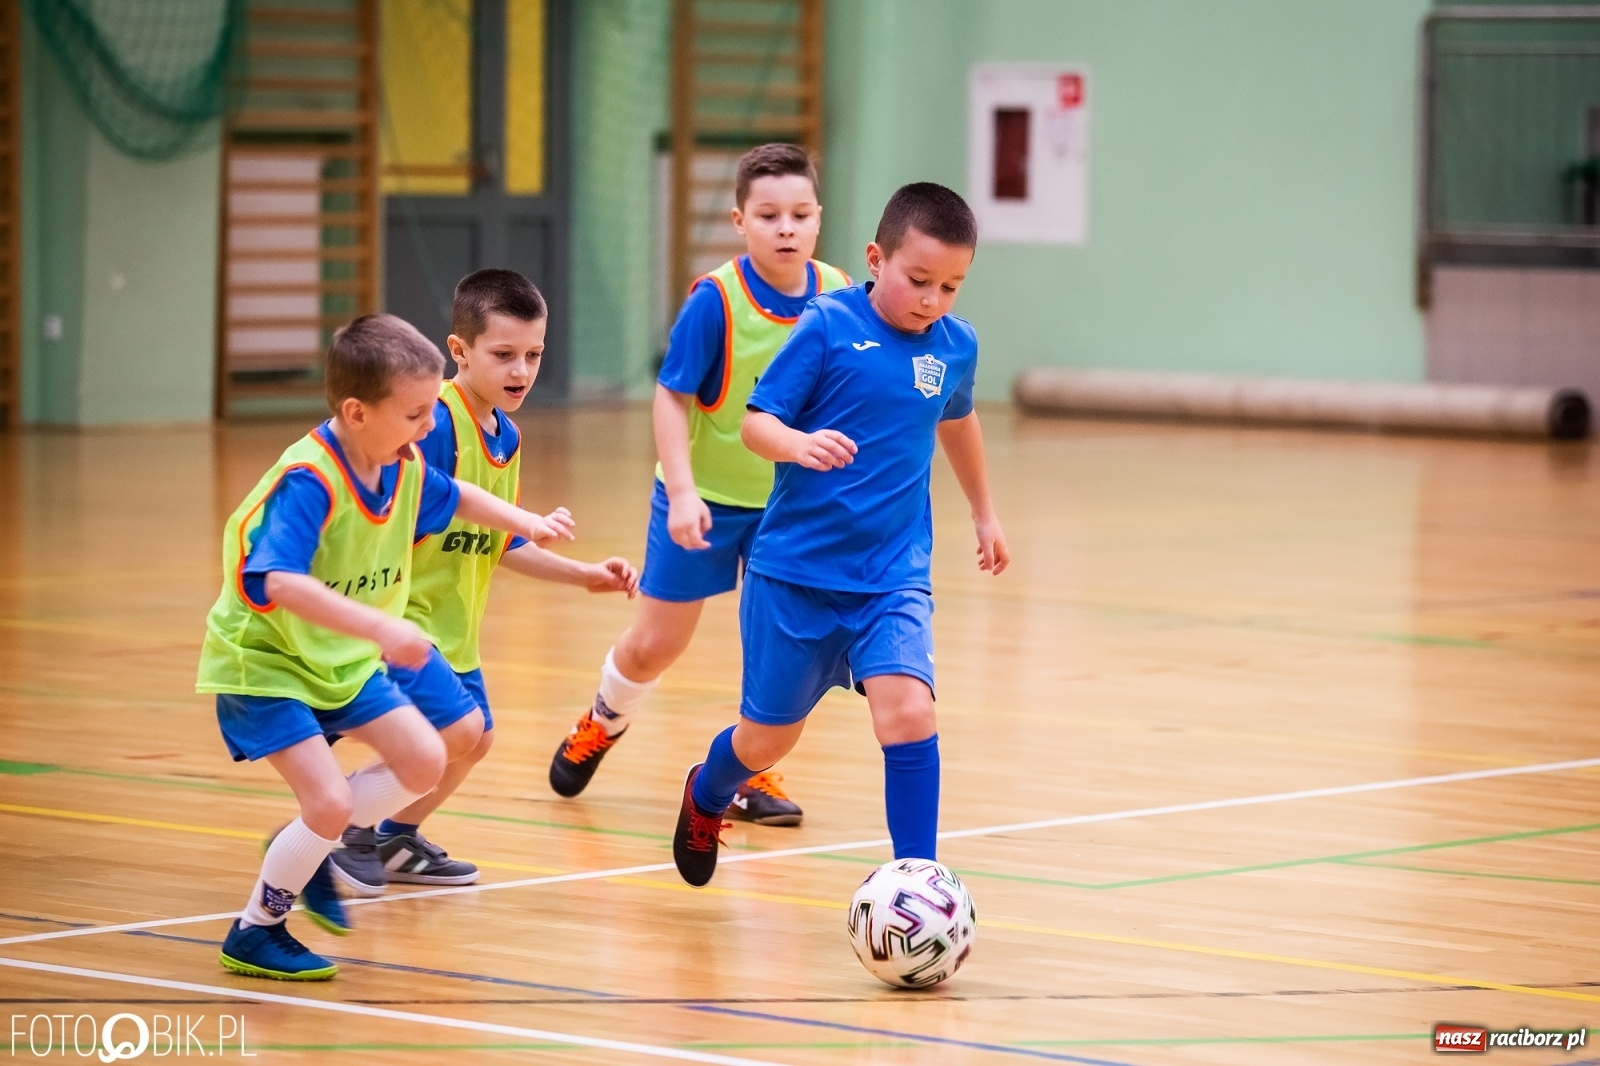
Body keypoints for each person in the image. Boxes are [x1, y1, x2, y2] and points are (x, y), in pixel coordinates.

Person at [196, 314, 569, 979]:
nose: (430, 426)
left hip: (338, 657)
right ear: (356, 412)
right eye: (417, 413)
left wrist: (528, 522)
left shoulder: (399, 461)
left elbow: (456, 496)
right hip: (266, 661)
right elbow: (279, 581)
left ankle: (306, 845)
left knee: (430, 755)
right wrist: (381, 628)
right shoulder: (310, 481)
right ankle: (257, 928)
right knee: (331, 804)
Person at [669, 183, 1010, 886]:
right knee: (767, 739)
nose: (932, 301)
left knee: (910, 711)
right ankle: (708, 790)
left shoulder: (955, 345)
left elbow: (958, 419)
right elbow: (756, 422)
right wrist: (796, 444)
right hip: (794, 576)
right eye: (918, 280)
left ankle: (918, 879)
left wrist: (983, 510)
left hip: (891, 576)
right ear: (875, 258)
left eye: (951, 286)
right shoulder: (827, 324)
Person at [547, 144, 850, 828]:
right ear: (740, 221)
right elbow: (670, 396)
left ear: (818, 219)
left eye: (800, 214)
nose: (786, 228)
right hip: (705, 498)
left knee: (777, 644)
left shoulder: (838, 293)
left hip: (789, 505)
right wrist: (682, 491)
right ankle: (603, 717)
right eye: (769, 215)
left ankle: (750, 771)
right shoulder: (718, 301)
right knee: (657, 643)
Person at [327, 270, 639, 897]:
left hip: (454, 626)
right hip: (402, 620)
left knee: (475, 741)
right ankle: (342, 832)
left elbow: (498, 543)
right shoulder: (432, 422)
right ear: (460, 351)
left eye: (533, 354)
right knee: (454, 735)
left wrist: (582, 577)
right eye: (503, 355)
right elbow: (416, 507)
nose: (521, 369)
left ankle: (392, 836)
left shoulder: (507, 433)